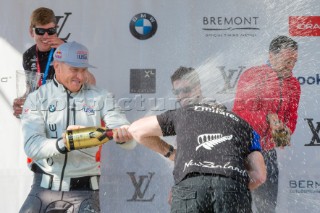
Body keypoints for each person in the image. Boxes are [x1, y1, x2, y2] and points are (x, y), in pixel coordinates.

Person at [128, 66, 266, 212]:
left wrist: (170, 153)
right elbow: (259, 176)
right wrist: (234, 186)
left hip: (189, 188)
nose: (181, 96)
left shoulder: (183, 114)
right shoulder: (243, 125)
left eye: (186, 90)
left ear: (198, 88)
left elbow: (136, 130)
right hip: (233, 187)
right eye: (177, 92)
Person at [19, 41, 136, 212]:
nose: (80, 76)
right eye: (74, 70)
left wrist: (125, 137)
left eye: (83, 70)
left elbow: (129, 141)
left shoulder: (101, 96)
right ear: (57, 66)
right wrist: (65, 143)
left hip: (84, 191)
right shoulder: (37, 98)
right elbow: (32, 146)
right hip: (43, 188)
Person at [232, 35, 301, 212]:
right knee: (239, 205)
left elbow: (291, 117)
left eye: (294, 60)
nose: (291, 65)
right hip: (244, 151)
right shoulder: (253, 75)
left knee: (268, 207)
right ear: (272, 56)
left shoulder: (293, 84)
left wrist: (285, 131)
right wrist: (268, 118)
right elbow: (240, 115)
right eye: (287, 60)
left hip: (268, 153)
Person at [13, 7, 95, 118]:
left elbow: (91, 82)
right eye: (40, 31)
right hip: (41, 117)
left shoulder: (67, 50)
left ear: (56, 30)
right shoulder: (28, 55)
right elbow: (31, 89)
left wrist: (66, 50)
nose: (46, 36)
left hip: (66, 115)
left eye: (50, 31)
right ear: (31, 32)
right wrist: (23, 102)